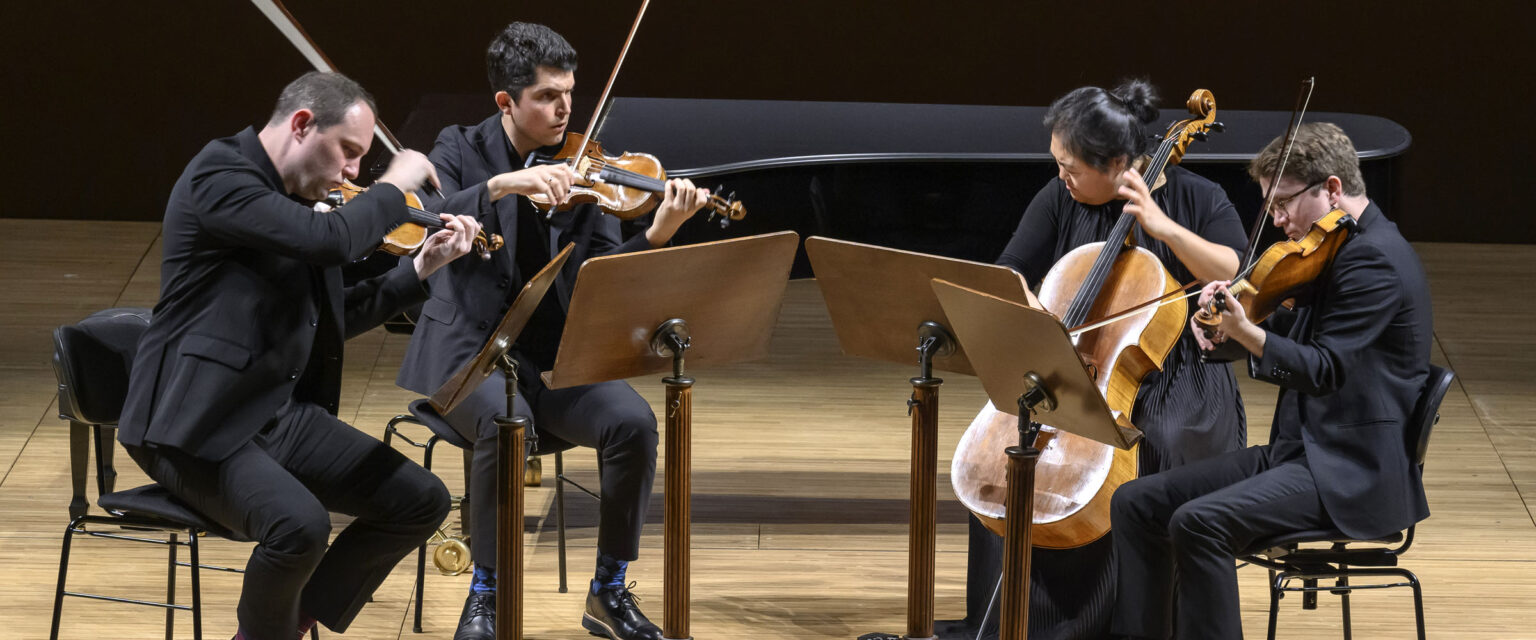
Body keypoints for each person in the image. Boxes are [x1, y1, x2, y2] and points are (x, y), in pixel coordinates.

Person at [117, 71, 484, 640]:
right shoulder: (221, 175)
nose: (353, 171)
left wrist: (421, 268)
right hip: (192, 423)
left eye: (362, 159)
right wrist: (394, 183)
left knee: (420, 500)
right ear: (302, 124)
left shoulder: (302, 204)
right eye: (348, 151)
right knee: (300, 526)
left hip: (271, 412)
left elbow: (332, 320)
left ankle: (290, 623)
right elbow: (332, 241)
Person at [395, 22, 709, 640]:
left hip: (554, 361)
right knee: (504, 422)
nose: (565, 109)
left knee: (633, 423)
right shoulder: (459, 147)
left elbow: (604, 280)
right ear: (506, 102)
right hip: (468, 357)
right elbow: (421, 214)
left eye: (569, 93)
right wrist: (502, 186)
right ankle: (486, 596)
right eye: (546, 96)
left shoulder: (587, 165)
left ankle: (608, 591)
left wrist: (657, 235)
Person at [947, 80, 1249, 639]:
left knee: (1157, 445)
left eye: (1071, 167)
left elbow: (1234, 270)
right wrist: (1038, 312)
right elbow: (1009, 269)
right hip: (1077, 364)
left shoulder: (1199, 198)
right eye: (1057, 163)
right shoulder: (1059, 197)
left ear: (1115, 164)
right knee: (1008, 450)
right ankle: (1019, 623)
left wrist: (1162, 227)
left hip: (1175, 374)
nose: (1061, 175)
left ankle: (1129, 625)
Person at [1109, 122, 1433, 640]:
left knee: (1199, 522)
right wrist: (1225, 329)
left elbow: (1324, 370)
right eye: (1271, 206)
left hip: (1351, 475)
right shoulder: (1337, 248)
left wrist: (1249, 333)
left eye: (1283, 204)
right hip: (1301, 454)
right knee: (1136, 502)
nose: (1277, 220)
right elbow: (1291, 332)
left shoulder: (1374, 259)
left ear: (1331, 188)